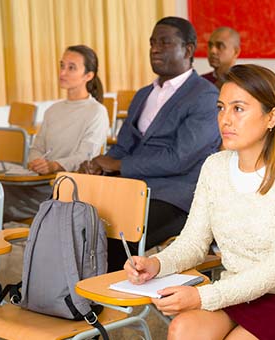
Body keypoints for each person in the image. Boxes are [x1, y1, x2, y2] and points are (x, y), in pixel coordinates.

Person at [124, 65, 275, 340]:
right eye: (221, 108)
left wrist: (202, 296)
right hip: (239, 292)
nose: (225, 119)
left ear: (272, 117)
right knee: (182, 329)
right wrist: (156, 264)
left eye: (238, 109)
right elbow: (193, 242)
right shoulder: (215, 166)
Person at [79, 17, 221, 271]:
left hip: (175, 196)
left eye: (164, 43)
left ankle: (107, 305)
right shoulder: (144, 94)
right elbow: (123, 145)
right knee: (76, 221)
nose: (155, 49)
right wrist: (100, 166)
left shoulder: (205, 96)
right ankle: (68, 296)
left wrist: (119, 164)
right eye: (152, 43)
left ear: (188, 50)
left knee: (116, 239)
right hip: (133, 187)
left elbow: (179, 158)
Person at [3, 45, 109, 222]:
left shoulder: (96, 112)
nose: (63, 72)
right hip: (41, 181)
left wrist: (54, 166)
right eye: (62, 65)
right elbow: (37, 147)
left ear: (88, 76)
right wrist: (36, 161)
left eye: (71, 67)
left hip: (68, 187)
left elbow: (86, 157)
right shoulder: (53, 110)